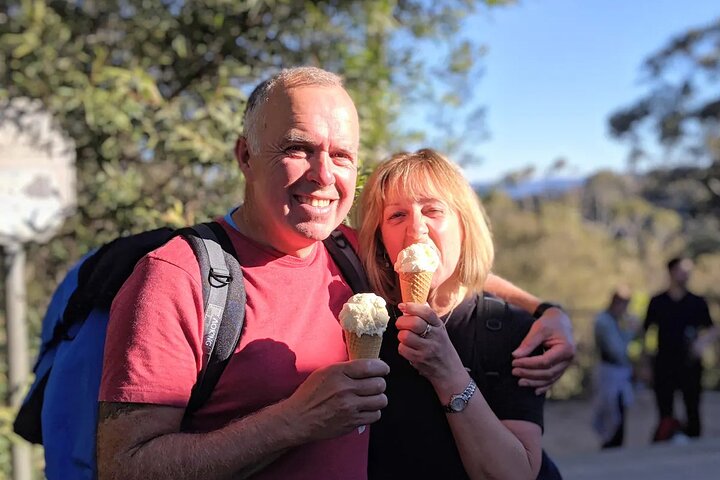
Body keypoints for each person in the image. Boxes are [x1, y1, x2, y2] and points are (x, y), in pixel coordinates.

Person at [96, 67, 573, 479]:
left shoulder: (346, 249)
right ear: (245, 156)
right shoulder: (178, 276)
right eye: (299, 148)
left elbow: (436, 263)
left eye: (341, 154)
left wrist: (546, 311)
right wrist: (292, 421)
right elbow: (124, 467)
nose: (324, 174)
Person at [357, 149, 559, 480]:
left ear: (464, 227)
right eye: (396, 216)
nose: (416, 230)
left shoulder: (514, 330)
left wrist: (446, 371)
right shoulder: (367, 323)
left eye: (433, 210)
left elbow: (516, 474)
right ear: (380, 240)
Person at [644, 257, 719, 442]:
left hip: (690, 364)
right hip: (664, 363)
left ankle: (693, 446)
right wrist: (644, 363)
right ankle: (665, 443)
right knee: (665, 409)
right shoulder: (658, 302)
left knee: (692, 407)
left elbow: (711, 328)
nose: (686, 275)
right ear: (671, 272)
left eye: (688, 271)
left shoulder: (697, 302)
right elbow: (645, 333)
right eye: (682, 270)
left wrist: (701, 344)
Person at [592, 287, 638, 449]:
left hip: (619, 372)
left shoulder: (616, 320)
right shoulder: (604, 321)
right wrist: (631, 332)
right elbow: (617, 350)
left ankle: (616, 442)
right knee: (610, 409)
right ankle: (610, 442)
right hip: (609, 371)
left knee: (619, 407)